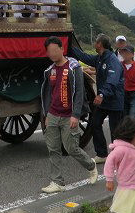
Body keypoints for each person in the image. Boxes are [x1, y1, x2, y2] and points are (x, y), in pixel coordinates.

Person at [40, 37, 99, 193]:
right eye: (49, 51)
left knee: (71, 148)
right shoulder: (50, 70)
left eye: (54, 50)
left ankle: (91, 165)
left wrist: (76, 115)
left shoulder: (74, 67)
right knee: (53, 149)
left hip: (69, 115)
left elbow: (79, 92)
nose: (52, 54)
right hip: (53, 114)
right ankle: (57, 182)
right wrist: (46, 114)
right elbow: (47, 94)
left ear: (61, 49)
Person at [70, 34, 124, 163]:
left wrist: (101, 94)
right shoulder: (100, 58)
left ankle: (118, 156)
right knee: (94, 123)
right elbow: (85, 57)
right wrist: (70, 47)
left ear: (100, 44)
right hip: (103, 100)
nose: (94, 44)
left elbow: (112, 81)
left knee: (115, 130)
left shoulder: (112, 60)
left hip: (114, 99)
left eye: (95, 42)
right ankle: (102, 154)